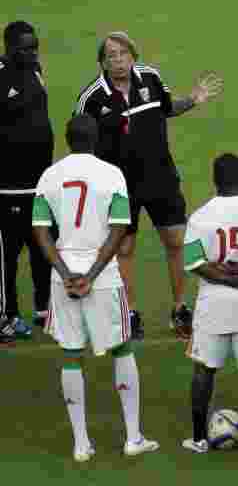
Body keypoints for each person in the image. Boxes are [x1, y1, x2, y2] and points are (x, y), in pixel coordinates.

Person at [75, 31, 224, 340]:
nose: (117, 61)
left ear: (133, 55)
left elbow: (168, 107)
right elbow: (79, 135)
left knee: (176, 241)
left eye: (122, 54)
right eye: (110, 56)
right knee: (124, 247)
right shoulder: (92, 97)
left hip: (160, 176)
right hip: (118, 185)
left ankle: (180, 309)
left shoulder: (151, 79)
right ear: (102, 62)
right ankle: (130, 313)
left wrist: (194, 100)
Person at [31, 115, 160, 461]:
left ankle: (81, 445)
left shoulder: (49, 176)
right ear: (96, 138)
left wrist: (64, 270)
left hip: (64, 274)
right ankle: (133, 438)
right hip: (102, 276)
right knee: (121, 348)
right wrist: (92, 273)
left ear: (67, 139)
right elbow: (119, 228)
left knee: (71, 354)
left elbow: (41, 231)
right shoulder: (111, 174)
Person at [180, 154, 238, 455]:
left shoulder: (200, 216)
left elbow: (194, 262)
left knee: (204, 370)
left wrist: (225, 279)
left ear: (214, 179)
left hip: (212, 304)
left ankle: (198, 439)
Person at [1, 20, 52, 340]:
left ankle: (44, 308)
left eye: (34, 46)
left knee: (41, 246)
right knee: (7, 254)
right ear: (8, 47)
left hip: (39, 182)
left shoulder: (35, 70)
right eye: (25, 48)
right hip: (7, 186)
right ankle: (7, 314)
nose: (32, 52)